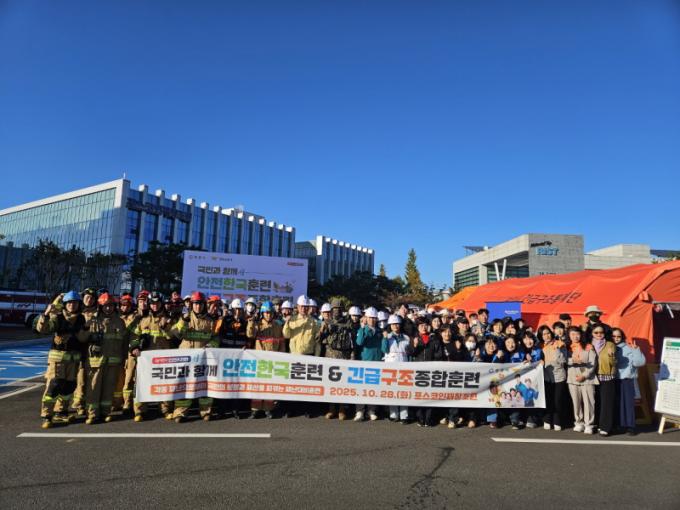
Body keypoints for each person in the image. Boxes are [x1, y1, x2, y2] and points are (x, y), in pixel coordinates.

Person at [35, 291, 89, 428]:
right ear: (65, 304)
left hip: (73, 360)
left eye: (75, 303)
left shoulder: (81, 319)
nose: (72, 305)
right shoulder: (58, 318)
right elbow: (43, 329)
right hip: (58, 360)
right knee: (54, 386)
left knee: (69, 387)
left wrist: (87, 329)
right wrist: (46, 314)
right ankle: (47, 415)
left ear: (79, 304)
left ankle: (61, 412)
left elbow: (83, 339)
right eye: (69, 303)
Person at [170, 292, 218, 423]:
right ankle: (180, 412)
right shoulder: (185, 318)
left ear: (204, 305)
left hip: (203, 359)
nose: (198, 306)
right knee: (184, 385)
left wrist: (211, 345)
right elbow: (176, 334)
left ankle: (206, 412)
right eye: (195, 304)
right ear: (191, 305)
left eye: (200, 304)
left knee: (204, 385)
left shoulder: (210, 321)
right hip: (186, 359)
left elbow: (216, 337)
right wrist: (184, 321)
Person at [82, 293, 130, 425]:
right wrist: (88, 332)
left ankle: (105, 412)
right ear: (100, 306)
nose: (108, 308)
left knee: (109, 389)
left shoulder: (120, 322)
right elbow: (82, 338)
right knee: (94, 389)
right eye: (105, 306)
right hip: (95, 362)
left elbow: (124, 342)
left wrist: (124, 358)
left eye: (111, 306)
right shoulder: (93, 320)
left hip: (113, 363)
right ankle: (92, 414)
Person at [129, 291, 175, 422]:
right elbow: (134, 336)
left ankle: (165, 410)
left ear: (161, 304)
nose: (155, 305)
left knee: (163, 384)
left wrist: (165, 327)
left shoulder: (168, 319)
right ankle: (139, 411)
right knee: (141, 384)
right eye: (152, 303)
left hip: (163, 359)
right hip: (145, 360)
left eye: (157, 303)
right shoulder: (143, 320)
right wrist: (134, 347)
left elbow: (173, 337)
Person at [282, 295, 321, 417]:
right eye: (302, 306)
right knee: (293, 385)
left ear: (309, 308)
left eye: (306, 306)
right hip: (294, 356)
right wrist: (287, 322)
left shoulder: (314, 322)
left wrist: (317, 357)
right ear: (297, 307)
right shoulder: (292, 319)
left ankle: (306, 410)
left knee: (307, 385)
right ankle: (291, 409)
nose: (304, 308)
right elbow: (286, 335)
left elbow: (317, 342)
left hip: (309, 356)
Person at [246, 301, 286, 418]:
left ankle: (268, 409)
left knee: (270, 386)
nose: (268, 315)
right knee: (257, 386)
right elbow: (250, 334)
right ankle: (255, 410)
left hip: (273, 362)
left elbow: (282, 343)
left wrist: (282, 358)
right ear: (262, 313)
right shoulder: (257, 325)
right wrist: (251, 322)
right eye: (266, 313)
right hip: (259, 362)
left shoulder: (278, 326)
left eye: (270, 313)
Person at [216, 298, 250, 419]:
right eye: (236, 309)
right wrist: (222, 318)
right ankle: (221, 410)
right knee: (224, 383)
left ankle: (235, 410)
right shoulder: (225, 320)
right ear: (232, 309)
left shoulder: (245, 322)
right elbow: (217, 332)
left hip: (239, 358)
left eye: (240, 309)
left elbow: (249, 338)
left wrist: (247, 346)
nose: (238, 311)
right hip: (225, 357)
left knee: (236, 384)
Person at [320, 300, 353, 420]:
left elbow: (352, 339)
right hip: (330, 354)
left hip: (344, 354)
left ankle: (342, 409)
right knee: (331, 384)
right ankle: (331, 409)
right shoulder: (327, 322)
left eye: (339, 309)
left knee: (342, 384)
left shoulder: (348, 322)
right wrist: (323, 330)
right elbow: (319, 339)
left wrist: (352, 355)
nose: (337, 311)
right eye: (334, 309)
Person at [406, 320, 444, 427]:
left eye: (426, 325)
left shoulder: (434, 338)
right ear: (418, 327)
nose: (424, 327)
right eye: (421, 326)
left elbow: (439, 355)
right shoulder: (414, 338)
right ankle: (420, 418)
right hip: (417, 371)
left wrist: (433, 365)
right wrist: (414, 345)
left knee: (429, 395)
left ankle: (428, 418)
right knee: (418, 395)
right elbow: (410, 353)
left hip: (431, 371)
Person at [71, 287, 99, 416]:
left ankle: (88, 403)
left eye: (92, 298)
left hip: (93, 350)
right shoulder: (76, 311)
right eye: (87, 297)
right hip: (79, 349)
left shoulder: (98, 313)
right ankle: (79, 404)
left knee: (91, 379)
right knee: (80, 379)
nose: (90, 300)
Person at [613, 328, 645, 435]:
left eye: (618, 336)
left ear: (622, 337)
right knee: (618, 404)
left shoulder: (629, 348)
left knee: (628, 404)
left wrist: (636, 350)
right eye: (614, 336)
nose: (616, 338)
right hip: (613, 379)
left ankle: (630, 427)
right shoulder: (608, 347)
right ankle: (621, 425)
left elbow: (639, 363)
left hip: (627, 379)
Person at [122, 290, 149, 415]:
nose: (143, 304)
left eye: (146, 301)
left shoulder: (151, 316)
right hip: (132, 352)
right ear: (137, 303)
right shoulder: (132, 316)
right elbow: (126, 333)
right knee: (129, 379)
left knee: (143, 380)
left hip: (147, 353)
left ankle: (141, 406)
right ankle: (127, 404)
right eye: (141, 301)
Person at [354, 307, 383, 422]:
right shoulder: (363, 329)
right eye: (370, 318)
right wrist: (362, 329)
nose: (372, 320)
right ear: (366, 318)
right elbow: (359, 342)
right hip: (364, 362)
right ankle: (360, 411)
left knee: (373, 388)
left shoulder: (380, 331)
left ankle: (372, 410)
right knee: (362, 388)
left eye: (374, 318)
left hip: (376, 362)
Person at [566, 327, 598, 434]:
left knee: (589, 402)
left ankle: (589, 424)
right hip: (572, 378)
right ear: (569, 336)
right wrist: (572, 360)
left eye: (577, 334)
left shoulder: (588, 346)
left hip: (587, 379)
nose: (575, 336)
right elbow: (562, 360)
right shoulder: (566, 347)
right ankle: (578, 422)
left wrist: (584, 375)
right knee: (576, 402)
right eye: (572, 334)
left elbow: (593, 363)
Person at [382, 315, 411, 423]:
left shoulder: (406, 337)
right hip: (391, 366)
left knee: (404, 391)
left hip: (404, 366)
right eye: (393, 324)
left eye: (397, 324)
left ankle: (404, 415)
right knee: (392, 391)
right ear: (390, 325)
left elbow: (409, 353)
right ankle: (393, 414)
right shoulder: (387, 336)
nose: (395, 326)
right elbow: (384, 349)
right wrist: (385, 339)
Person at [539, 325, 568, 431]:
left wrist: (558, 350)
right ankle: (547, 420)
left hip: (559, 376)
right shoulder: (540, 346)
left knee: (557, 400)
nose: (546, 336)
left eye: (548, 333)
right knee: (548, 399)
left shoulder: (559, 344)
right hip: (546, 377)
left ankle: (557, 421)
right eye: (544, 334)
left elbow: (564, 360)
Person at [440, 327, 468, 429]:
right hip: (441, 374)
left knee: (453, 396)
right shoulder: (438, 343)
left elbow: (462, 359)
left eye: (449, 332)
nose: (447, 334)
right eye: (444, 332)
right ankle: (447, 416)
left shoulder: (457, 343)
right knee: (444, 396)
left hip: (454, 374)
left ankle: (453, 419)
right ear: (441, 333)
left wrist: (458, 349)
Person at [591, 324, 617, 436]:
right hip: (592, 376)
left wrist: (611, 356)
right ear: (592, 334)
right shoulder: (589, 344)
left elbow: (614, 363)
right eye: (596, 332)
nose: (599, 334)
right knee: (595, 402)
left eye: (601, 332)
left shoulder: (610, 344)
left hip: (606, 376)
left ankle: (605, 427)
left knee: (606, 403)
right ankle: (597, 424)